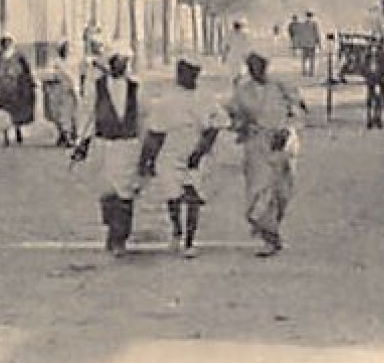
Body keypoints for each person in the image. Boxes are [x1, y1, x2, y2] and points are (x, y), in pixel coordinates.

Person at [226, 53, 306, 257]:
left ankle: (271, 227)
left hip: (283, 143)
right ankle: (270, 236)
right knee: (257, 190)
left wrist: (288, 130)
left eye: (259, 65)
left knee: (282, 192)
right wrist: (241, 127)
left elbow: (298, 110)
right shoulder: (243, 92)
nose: (256, 70)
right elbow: (234, 116)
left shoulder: (281, 86)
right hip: (257, 143)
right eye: (252, 66)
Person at [148, 59, 228, 258]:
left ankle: (189, 241)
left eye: (192, 72)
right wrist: (149, 158)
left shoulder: (206, 97)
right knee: (173, 195)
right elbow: (155, 132)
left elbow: (218, 123)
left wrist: (202, 149)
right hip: (170, 151)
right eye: (183, 72)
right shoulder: (167, 100)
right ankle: (177, 230)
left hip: (195, 150)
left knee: (193, 196)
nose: (187, 76)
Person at [72, 49, 147, 256]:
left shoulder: (136, 88)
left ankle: (120, 237)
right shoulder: (96, 88)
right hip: (103, 145)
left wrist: (144, 149)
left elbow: (143, 119)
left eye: (124, 61)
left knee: (125, 193)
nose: (120, 64)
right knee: (107, 192)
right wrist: (81, 142)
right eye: (117, 60)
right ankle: (112, 230)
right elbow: (86, 115)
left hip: (128, 146)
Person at [0, 35, 37, 146]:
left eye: (8, 44)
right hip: (2, 91)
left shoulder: (19, 56)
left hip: (16, 89)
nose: (6, 46)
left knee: (16, 112)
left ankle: (18, 130)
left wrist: (30, 84)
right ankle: (6, 136)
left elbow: (26, 71)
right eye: (4, 44)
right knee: (3, 114)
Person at [41, 41, 80, 148]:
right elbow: (47, 75)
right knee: (60, 115)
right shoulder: (55, 63)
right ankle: (64, 136)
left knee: (70, 115)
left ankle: (69, 136)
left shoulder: (73, 63)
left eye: (67, 50)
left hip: (70, 92)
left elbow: (77, 77)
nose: (66, 52)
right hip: (58, 92)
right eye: (63, 49)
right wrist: (54, 77)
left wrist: (76, 88)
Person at [295, 12, 322, 78]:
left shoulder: (303, 24)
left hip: (304, 44)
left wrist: (299, 43)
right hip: (311, 44)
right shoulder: (314, 24)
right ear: (312, 16)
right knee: (311, 59)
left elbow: (300, 34)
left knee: (304, 59)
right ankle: (311, 73)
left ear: (306, 16)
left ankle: (304, 71)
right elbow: (316, 34)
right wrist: (319, 43)